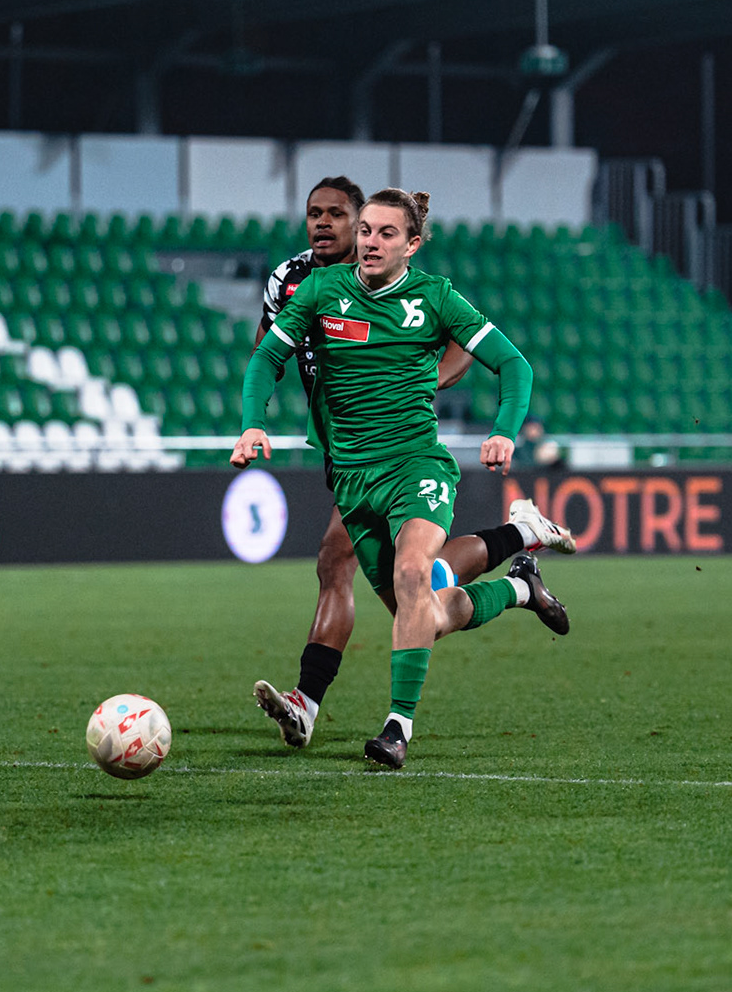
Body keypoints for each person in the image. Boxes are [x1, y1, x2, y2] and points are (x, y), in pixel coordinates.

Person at [234, 188, 565, 769]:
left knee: (415, 572)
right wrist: (252, 426)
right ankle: (518, 586)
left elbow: (514, 363)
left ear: (411, 244)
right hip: (352, 479)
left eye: (386, 233)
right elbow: (266, 358)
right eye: (365, 230)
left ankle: (396, 728)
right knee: (428, 614)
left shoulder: (434, 297)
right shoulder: (320, 290)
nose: (369, 241)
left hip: (416, 465)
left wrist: (505, 429)